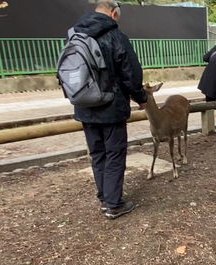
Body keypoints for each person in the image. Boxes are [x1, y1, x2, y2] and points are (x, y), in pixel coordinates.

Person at [67, 0, 147, 219]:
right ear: (113, 14)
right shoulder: (117, 37)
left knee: (97, 153)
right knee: (114, 154)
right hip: (111, 106)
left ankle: (104, 197)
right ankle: (114, 204)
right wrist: (140, 98)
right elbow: (131, 73)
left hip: (84, 104)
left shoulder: (74, 35)